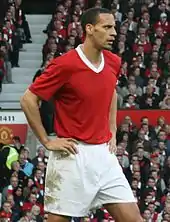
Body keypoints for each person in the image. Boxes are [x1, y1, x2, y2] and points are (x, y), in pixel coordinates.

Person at [20, 7, 142, 222]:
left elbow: (111, 92)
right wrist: (47, 141)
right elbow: (28, 99)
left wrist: (112, 130)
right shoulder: (65, 64)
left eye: (114, 27)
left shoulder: (113, 61)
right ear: (90, 29)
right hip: (72, 155)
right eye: (107, 27)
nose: (114, 32)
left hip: (104, 156)